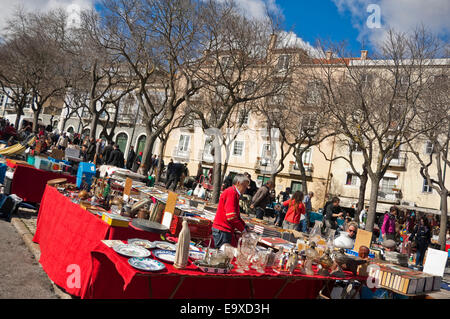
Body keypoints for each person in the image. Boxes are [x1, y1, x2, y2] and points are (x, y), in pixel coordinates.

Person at [212, 174, 250, 249]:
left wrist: (245, 226)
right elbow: (231, 216)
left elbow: (235, 216)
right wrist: (243, 230)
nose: (245, 189)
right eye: (244, 186)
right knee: (222, 255)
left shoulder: (233, 192)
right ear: (238, 183)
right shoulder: (231, 193)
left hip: (223, 229)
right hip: (222, 229)